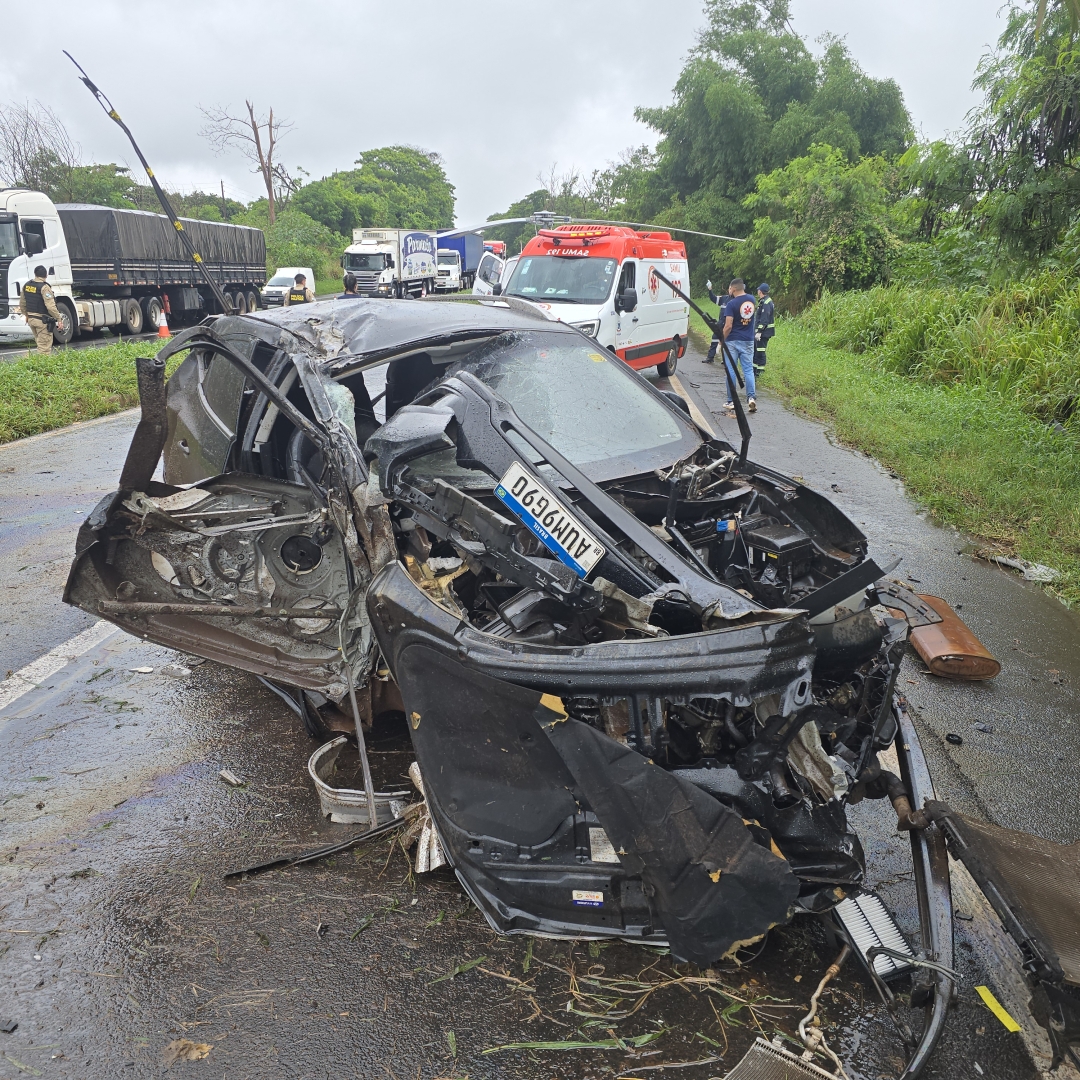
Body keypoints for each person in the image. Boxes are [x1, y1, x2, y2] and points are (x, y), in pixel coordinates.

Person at [719, 278, 757, 413]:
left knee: (731, 370)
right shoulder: (752, 300)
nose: (729, 290)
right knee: (748, 370)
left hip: (732, 341)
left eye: (730, 288)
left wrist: (721, 340)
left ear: (733, 289)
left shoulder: (731, 304)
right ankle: (751, 398)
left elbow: (728, 326)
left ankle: (731, 401)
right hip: (748, 340)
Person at [19, 266, 62, 355]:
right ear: (46, 275)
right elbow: (50, 307)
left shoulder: (27, 285)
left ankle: (38, 362)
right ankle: (42, 364)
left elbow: (22, 304)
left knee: (40, 344)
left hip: (31, 320)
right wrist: (59, 318)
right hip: (42, 321)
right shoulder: (45, 287)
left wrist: (26, 315)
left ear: (35, 274)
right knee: (44, 349)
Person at [753, 283, 775, 379]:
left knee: (760, 351)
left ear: (760, 291)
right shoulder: (764, 301)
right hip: (763, 332)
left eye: (758, 290)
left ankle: (759, 372)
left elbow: (764, 319)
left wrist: (759, 331)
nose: (758, 291)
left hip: (764, 332)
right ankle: (756, 371)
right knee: (757, 351)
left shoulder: (766, 303)